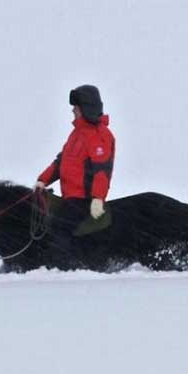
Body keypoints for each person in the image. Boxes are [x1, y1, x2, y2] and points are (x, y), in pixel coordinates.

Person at [35, 84, 115, 254]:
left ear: (86, 108)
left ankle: (64, 266)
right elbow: (60, 162)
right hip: (69, 197)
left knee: (60, 227)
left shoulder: (100, 135)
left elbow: (102, 170)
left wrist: (98, 198)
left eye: (76, 108)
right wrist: (42, 180)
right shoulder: (77, 134)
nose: (73, 111)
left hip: (83, 199)